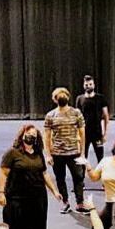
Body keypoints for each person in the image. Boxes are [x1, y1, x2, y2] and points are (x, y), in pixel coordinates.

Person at [0, 123, 62, 229]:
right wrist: (1, 192)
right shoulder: (12, 153)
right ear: (22, 136)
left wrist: (55, 191)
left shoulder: (38, 153)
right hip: (16, 198)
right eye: (28, 135)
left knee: (39, 226)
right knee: (14, 228)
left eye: (34, 135)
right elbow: (3, 173)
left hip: (38, 197)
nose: (31, 137)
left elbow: (44, 173)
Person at [43, 86, 87, 214]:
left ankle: (80, 203)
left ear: (68, 97)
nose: (62, 98)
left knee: (78, 177)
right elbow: (47, 137)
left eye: (64, 95)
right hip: (57, 153)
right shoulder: (50, 115)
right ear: (55, 99)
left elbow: (82, 134)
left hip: (74, 152)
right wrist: (48, 155)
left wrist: (82, 153)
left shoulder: (76, 113)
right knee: (60, 178)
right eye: (59, 96)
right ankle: (65, 202)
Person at [75, 75, 111, 164]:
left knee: (100, 156)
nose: (88, 86)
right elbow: (76, 118)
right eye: (86, 85)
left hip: (97, 133)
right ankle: (83, 172)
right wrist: (77, 134)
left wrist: (105, 134)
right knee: (83, 156)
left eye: (90, 84)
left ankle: (101, 172)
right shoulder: (79, 99)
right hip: (84, 133)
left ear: (94, 85)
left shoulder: (100, 98)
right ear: (83, 86)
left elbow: (106, 117)